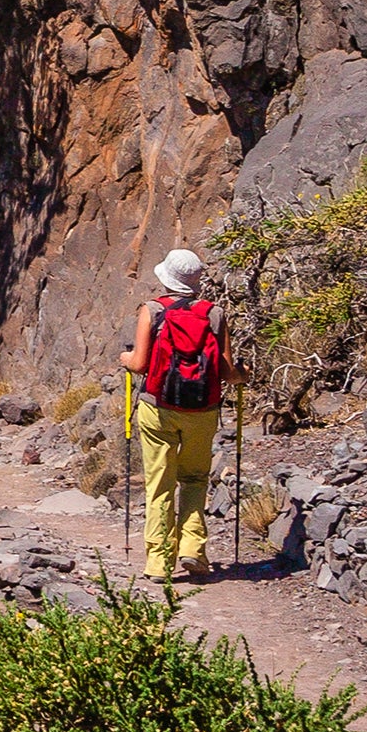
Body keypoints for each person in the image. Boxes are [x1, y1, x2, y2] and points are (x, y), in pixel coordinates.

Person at [122, 246, 235, 581]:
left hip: (158, 407)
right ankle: (193, 551)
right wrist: (242, 374)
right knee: (196, 479)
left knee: (160, 484)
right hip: (201, 409)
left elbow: (140, 364)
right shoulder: (214, 314)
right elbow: (228, 371)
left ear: (166, 277)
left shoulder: (152, 310)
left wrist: (123, 359)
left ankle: (158, 563)